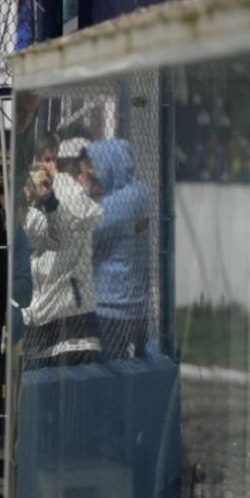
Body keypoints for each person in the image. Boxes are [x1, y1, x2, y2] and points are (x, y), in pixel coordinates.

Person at [22, 138, 104, 369]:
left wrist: (49, 201)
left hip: (71, 322)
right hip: (38, 318)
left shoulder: (68, 192)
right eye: (44, 160)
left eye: (53, 160)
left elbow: (65, 229)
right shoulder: (28, 196)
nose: (48, 167)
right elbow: (32, 235)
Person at [85, 139, 151, 360]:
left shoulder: (130, 198)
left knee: (112, 371)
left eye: (95, 176)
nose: (92, 183)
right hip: (130, 306)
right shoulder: (135, 193)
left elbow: (84, 225)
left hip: (113, 306)